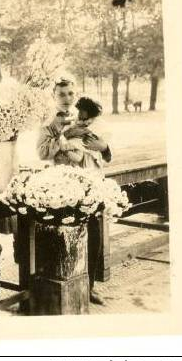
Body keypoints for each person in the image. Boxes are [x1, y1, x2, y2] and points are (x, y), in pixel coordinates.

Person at [36, 78, 112, 306]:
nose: (67, 99)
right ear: (54, 96)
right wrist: (65, 137)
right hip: (65, 185)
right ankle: (68, 288)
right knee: (67, 236)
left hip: (91, 181)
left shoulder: (88, 120)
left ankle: (89, 288)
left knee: (95, 234)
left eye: (71, 93)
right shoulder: (49, 123)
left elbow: (106, 153)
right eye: (62, 94)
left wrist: (104, 148)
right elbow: (41, 153)